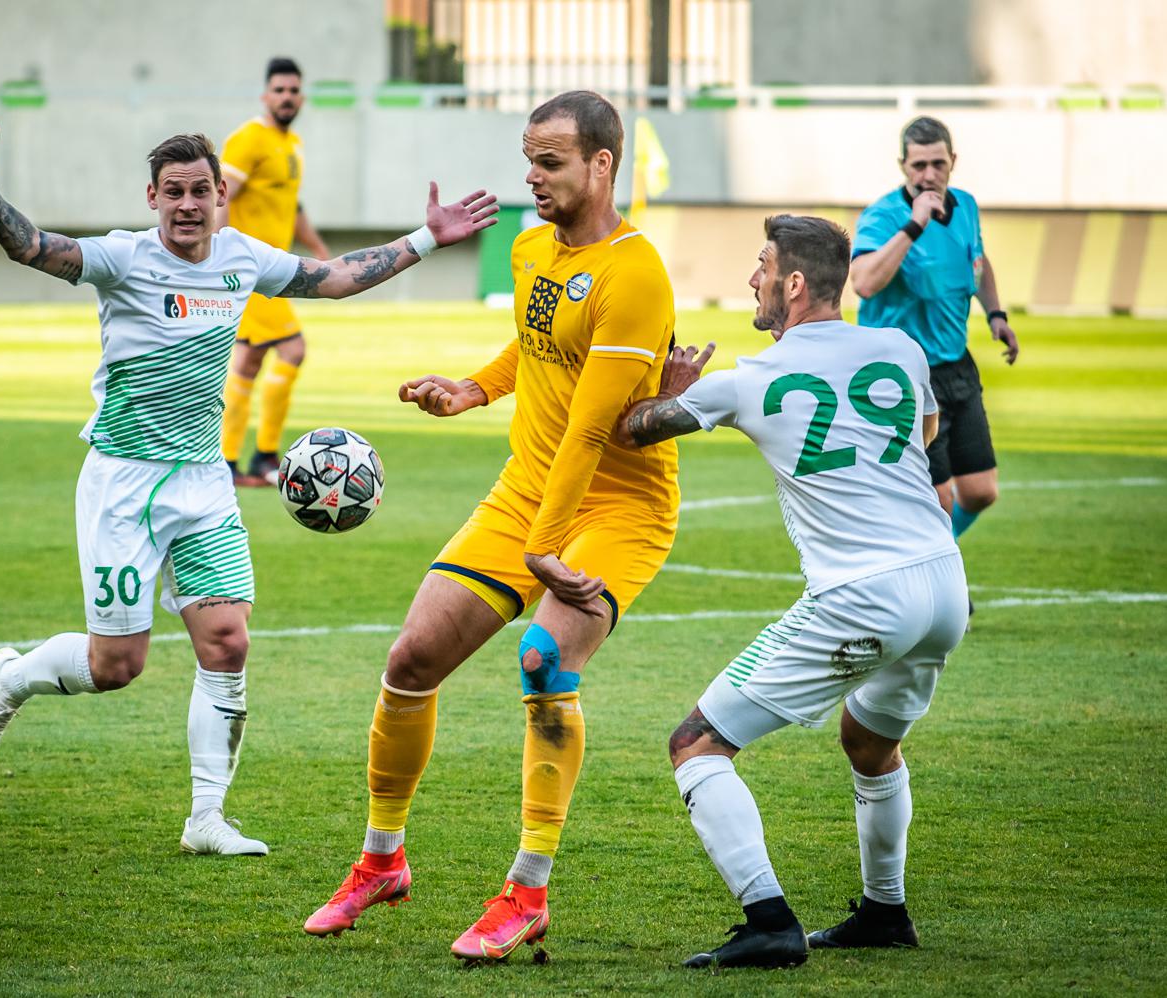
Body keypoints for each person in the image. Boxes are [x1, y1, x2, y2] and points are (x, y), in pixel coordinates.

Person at [0, 112, 495, 855]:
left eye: (199, 191)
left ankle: (206, 819)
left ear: (218, 196)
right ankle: (13, 678)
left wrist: (426, 237)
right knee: (117, 666)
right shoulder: (123, 258)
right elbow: (32, 247)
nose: (187, 205)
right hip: (125, 483)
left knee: (228, 643)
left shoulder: (241, 257)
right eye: (173, 192)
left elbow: (334, 278)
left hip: (205, 484)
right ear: (152, 197)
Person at [302, 91, 680, 962]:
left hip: (617, 508)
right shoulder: (528, 247)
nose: (532, 177)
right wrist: (474, 388)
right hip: (527, 492)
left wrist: (546, 548)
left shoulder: (635, 274)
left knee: (544, 661)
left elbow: (592, 427)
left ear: (602, 165)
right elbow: (538, 346)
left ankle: (527, 892)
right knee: (411, 659)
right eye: (528, 159)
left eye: (550, 162)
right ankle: (381, 863)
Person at [616, 215, 967, 969]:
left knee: (696, 745)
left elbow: (633, 429)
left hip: (862, 596)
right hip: (944, 585)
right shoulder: (900, 349)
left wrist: (671, 389)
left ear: (795, 283)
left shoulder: (748, 380)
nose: (754, 278)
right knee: (870, 742)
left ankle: (768, 921)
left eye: (763, 264)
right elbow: (927, 434)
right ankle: (884, 913)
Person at [851, 116, 1019, 551]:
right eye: (919, 165)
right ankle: (935, 574)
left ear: (953, 162)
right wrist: (915, 225)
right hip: (904, 378)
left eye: (937, 164)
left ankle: (933, 557)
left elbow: (978, 261)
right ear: (903, 166)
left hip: (955, 365)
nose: (928, 175)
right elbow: (864, 283)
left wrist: (995, 313)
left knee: (980, 491)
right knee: (937, 501)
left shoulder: (966, 206)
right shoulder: (883, 216)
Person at [217, 57, 331, 487]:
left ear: (302, 96)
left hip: (273, 270)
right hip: (248, 270)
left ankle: (227, 462)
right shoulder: (248, 139)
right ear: (266, 95)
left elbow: (292, 206)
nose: (287, 97)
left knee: (248, 362)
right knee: (293, 349)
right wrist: (218, 253)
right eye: (280, 90)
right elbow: (221, 196)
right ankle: (264, 455)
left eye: (294, 90)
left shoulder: (292, 144)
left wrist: (319, 251)